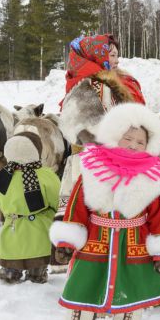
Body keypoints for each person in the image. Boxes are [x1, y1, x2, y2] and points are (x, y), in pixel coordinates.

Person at [47, 103, 160, 320]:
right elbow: (77, 206)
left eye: (140, 141)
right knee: (82, 291)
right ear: (113, 135)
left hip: (134, 245)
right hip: (95, 244)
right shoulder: (92, 168)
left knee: (131, 291)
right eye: (127, 137)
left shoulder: (154, 175)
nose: (133, 144)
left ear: (150, 144)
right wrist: (67, 239)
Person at [57, 34, 146, 223]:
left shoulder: (79, 84)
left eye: (117, 55)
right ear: (97, 57)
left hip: (82, 163)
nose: (117, 60)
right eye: (112, 55)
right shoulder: (98, 88)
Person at [0, 133, 60, 284]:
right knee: (37, 256)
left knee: (12, 252)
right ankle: (36, 273)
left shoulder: (4, 176)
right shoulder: (46, 175)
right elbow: (57, 200)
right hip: (39, 230)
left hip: (12, 229)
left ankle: (10, 270)